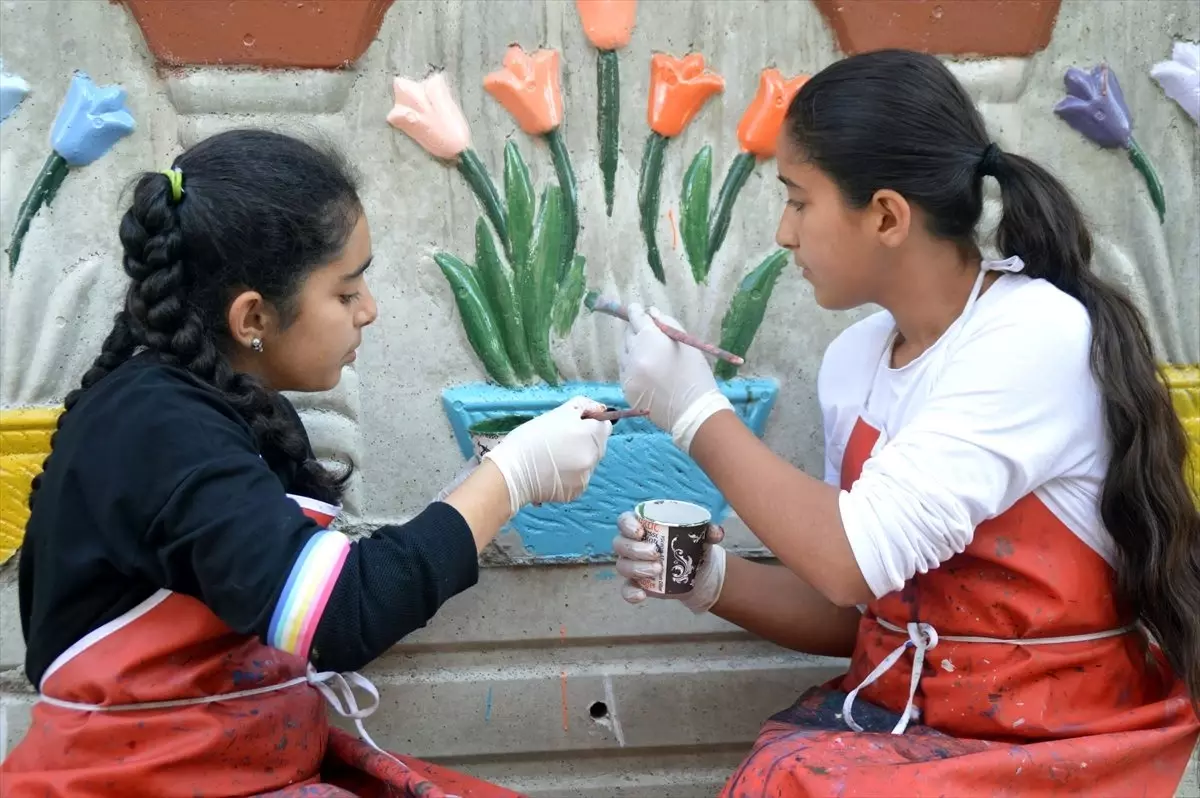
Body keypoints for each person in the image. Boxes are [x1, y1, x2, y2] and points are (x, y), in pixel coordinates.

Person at [614, 49, 1200, 796]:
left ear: (886, 215)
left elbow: (850, 556)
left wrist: (694, 410)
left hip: (1059, 739)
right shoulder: (853, 361)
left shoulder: (1033, 336)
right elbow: (856, 609)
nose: (784, 233)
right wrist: (706, 575)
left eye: (798, 200)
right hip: (908, 728)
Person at [1, 129, 612, 798]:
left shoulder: (227, 407)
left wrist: (478, 483)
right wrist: (512, 480)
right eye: (347, 293)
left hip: (227, 764)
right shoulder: (159, 429)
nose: (370, 311)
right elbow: (339, 614)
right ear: (253, 316)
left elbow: (306, 580)